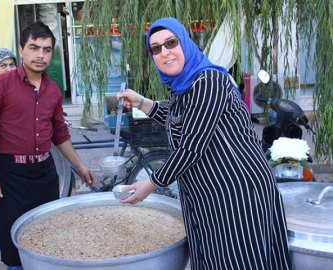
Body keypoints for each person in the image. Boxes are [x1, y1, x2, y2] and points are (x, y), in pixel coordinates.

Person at [118, 18, 291, 270]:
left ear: (185, 43)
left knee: (239, 261)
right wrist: (142, 102)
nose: (164, 52)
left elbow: (191, 146)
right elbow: (180, 116)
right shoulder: (183, 87)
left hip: (237, 195)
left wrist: (152, 183)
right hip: (209, 194)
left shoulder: (207, 80)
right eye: (155, 48)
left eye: (171, 43)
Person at [0, 20, 95, 269]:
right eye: (34, 47)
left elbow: (60, 134)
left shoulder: (53, 90)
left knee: (47, 241)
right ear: (21, 50)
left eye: (47, 49)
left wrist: (80, 167)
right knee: (15, 249)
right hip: (10, 178)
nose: (40, 55)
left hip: (45, 175)